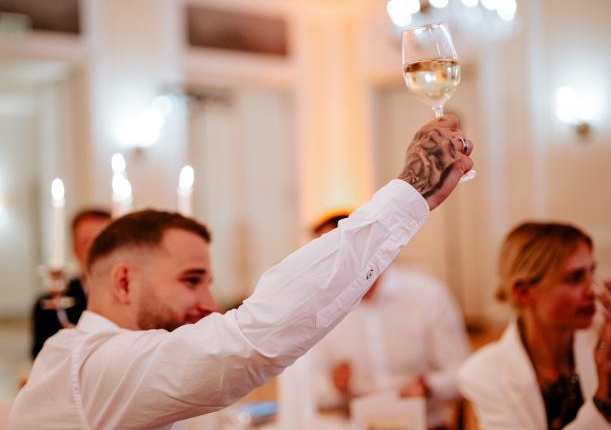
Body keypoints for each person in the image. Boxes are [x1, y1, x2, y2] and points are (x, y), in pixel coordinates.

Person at [9, 115, 474, 429]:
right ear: (125, 281)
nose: (210, 304)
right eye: (191, 280)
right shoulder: (86, 361)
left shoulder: (131, 371)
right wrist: (410, 192)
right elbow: (249, 342)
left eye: (209, 283)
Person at [310, 213, 470, 430]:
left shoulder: (427, 295)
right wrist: (334, 385)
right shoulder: (325, 311)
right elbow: (310, 389)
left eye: (337, 254)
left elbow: (464, 374)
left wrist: (429, 387)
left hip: (426, 425)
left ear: (368, 247)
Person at [458, 222, 611, 430]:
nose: (592, 290)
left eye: (591, 273)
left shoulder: (603, 340)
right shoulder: (485, 374)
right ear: (523, 292)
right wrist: (603, 402)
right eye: (575, 278)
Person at [31, 208, 111, 358]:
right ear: (75, 247)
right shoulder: (49, 305)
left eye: (103, 240)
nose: (96, 249)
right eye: (87, 242)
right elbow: (42, 358)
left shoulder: (132, 299)